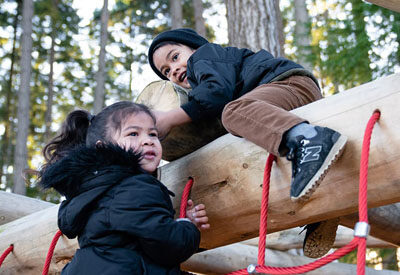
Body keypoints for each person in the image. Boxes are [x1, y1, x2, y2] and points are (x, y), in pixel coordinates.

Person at [147, 28, 347, 258]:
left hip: (288, 84)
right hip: (277, 103)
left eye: (175, 57)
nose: (174, 70)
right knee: (259, 151)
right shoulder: (206, 76)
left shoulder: (205, 57)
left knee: (235, 112)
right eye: (166, 72)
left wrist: (168, 118)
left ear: (194, 48)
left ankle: (310, 139)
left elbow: (216, 94)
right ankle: (324, 206)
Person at [38, 101, 209, 274]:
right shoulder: (134, 187)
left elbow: (139, 246)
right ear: (102, 147)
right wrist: (188, 227)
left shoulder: (96, 191)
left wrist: (176, 223)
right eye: (133, 133)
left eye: (153, 134)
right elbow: (169, 245)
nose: (147, 141)